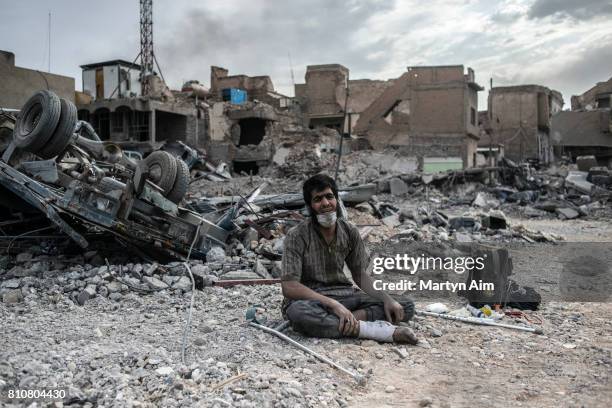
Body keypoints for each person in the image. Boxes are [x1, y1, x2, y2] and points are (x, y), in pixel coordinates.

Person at [281, 173, 418, 344]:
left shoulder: (349, 231)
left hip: (345, 296)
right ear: (310, 206)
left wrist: (387, 299)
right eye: (317, 199)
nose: (325, 204)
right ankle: (374, 331)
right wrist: (333, 305)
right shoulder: (297, 236)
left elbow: (360, 275)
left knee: (404, 305)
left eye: (329, 197)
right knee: (298, 314)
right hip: (313, 301)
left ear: (337, 200)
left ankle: (347, 323)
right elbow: (289, 287)